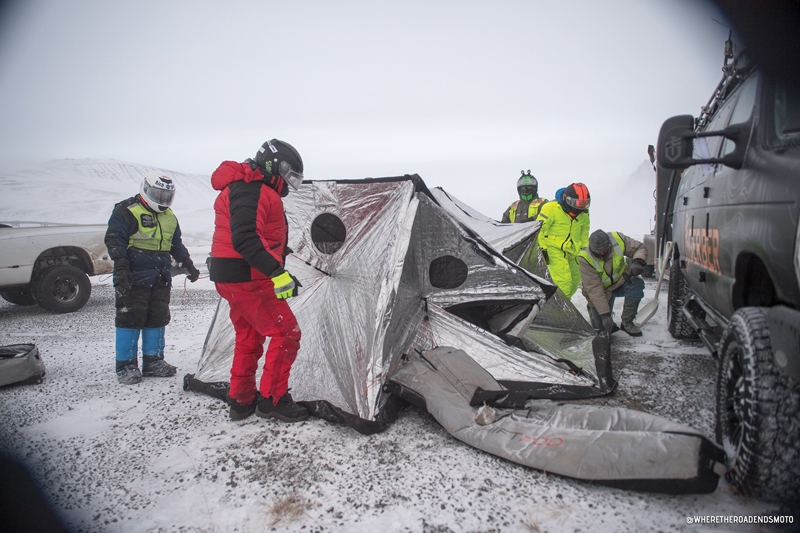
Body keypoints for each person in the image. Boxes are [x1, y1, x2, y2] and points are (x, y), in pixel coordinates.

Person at [208, 139, 308, 423]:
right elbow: (245, 238)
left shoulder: (246, 186)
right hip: (249, 275)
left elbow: (249, 233)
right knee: (286, 333)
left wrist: (278, 252)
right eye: (288, 176)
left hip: (231, 276)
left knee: (249, 336)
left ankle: (241, 400)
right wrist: (277, 272)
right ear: (276, 167)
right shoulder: (251, 188)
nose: (288, 184)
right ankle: (272, 401)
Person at [105, 171, 200, 385]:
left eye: (166, 196)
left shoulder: (170, 217)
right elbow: (114, 238)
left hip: (160, 274)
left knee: (157, 317)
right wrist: (121, 265)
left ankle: (153, 361)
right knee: (130, 318)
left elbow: (176, 244)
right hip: (133, 273)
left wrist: (189, 265)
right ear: (146, 189)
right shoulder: (126, 210)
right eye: (157, 194)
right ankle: (126, 365)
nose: (162, 200)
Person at [578, 229, 648, 337]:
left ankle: (627, 322)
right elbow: (594, 289)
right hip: (602, 290)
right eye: (598, 251)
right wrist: (605, 315)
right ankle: (603, 321)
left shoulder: (618, 239)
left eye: (604, 250)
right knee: (600, 327)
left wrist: (638, 261)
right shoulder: (584, 258)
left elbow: (639, 248)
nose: (602, 253)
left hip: (621, 281)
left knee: (636, 283)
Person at [535, 182, 591, 299]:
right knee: (564, 282)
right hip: (553, 248)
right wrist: (543, 250)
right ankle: (560, 311)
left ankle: (561, 304)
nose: (580, 207)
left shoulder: (584, 213)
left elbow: (584, 231)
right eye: (578, 203)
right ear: (568, 200)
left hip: (573, 250)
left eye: (584, 204)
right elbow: (539, 230)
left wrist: (583, 249)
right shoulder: (551, 208)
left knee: (575, 280)